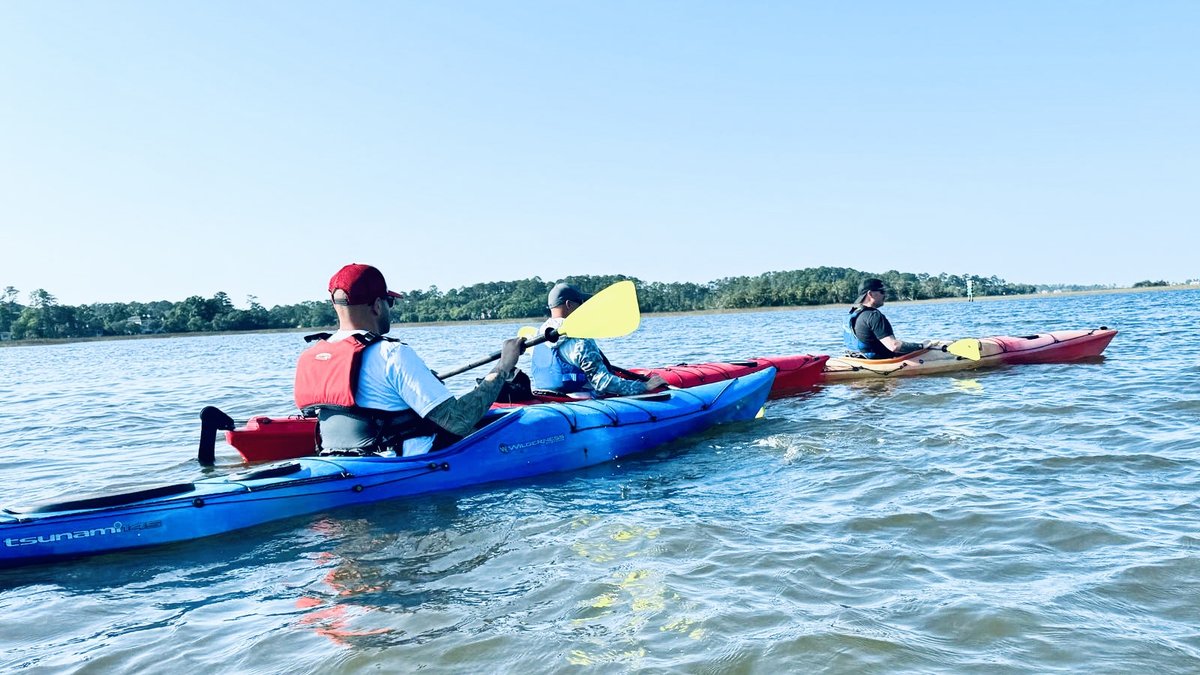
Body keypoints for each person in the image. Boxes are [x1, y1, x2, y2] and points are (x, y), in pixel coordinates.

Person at [294, 263, 523, 457]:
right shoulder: (392, 354)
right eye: (388, 302)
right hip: (400, 465)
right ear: (377, 305)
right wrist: (503, 366)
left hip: (339, 458)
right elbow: (458, 421)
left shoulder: (313, 356)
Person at [530, 282, 668, 397]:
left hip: (552, 397)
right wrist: (645, 386)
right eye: (581, 304)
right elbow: (603, 383)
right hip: (583, 401)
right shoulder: (580, 342)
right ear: (569, 305)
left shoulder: (537, 338)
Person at [843, 278, 945, 359]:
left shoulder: (854, 313)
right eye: (882, 292)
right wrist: (921, 346)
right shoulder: (874, 316)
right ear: (870, 294)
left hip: (856, 359)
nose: (885, 295)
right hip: (878, 363)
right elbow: (894, 346)